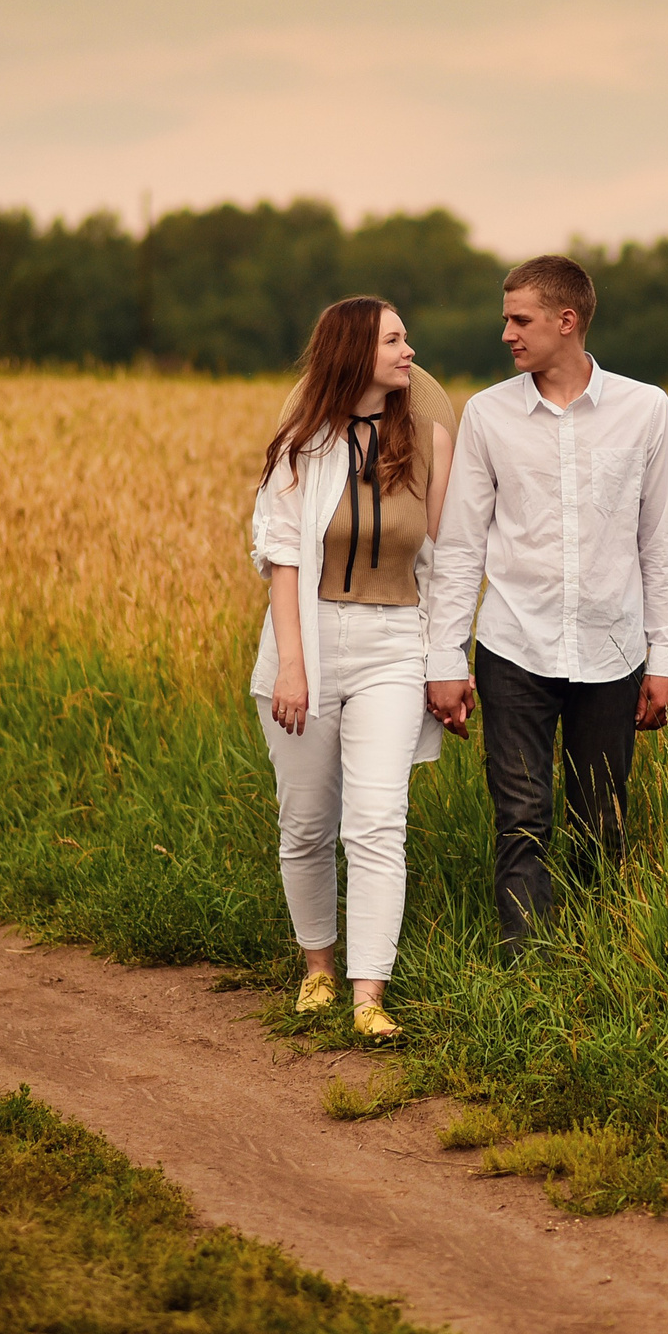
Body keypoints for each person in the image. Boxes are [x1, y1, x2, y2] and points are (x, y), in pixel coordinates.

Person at [424, 255, 668, 951]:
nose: (506, 333)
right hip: (514, 646)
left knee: (601, 821)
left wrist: (666, 657)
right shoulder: (488, 415)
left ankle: (599, 965)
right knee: (521, 819)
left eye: (520, 319)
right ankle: (527, 970)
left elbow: (662, 542)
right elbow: (460, 546)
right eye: (505, 318)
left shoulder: (645, 410)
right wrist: (445, 658)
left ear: (566, 321)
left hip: (613, 649)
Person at [249, 297, 455, 1039]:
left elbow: (446, 560)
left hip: (393, 642)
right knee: (306, 822)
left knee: (377, 822)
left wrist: (445, 660)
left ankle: (371, 994)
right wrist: (293, 667)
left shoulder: (429, 442)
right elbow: (283, 558)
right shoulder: (302, 446)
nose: (409, 351)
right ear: (355, 351)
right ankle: (318, 970)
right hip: (308, 637)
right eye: (394, 340)